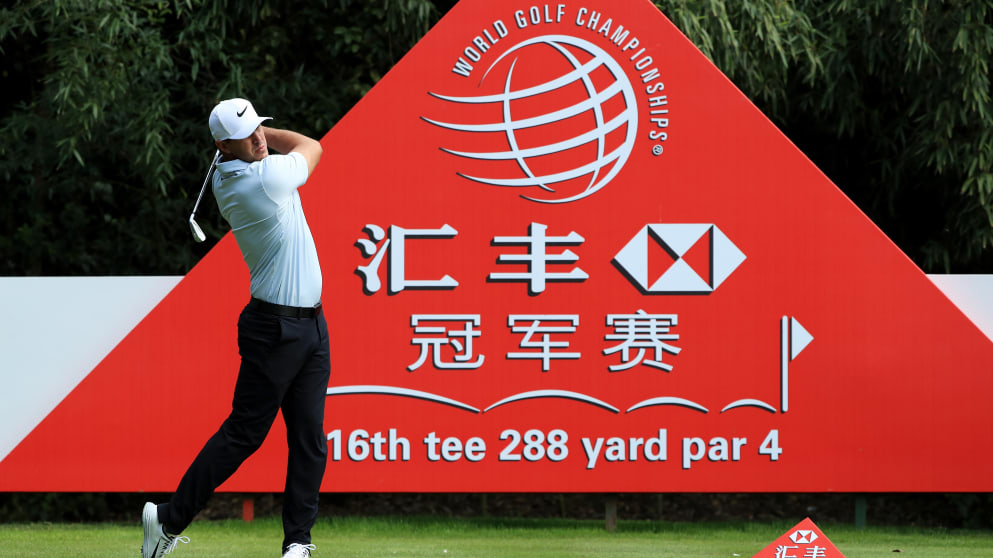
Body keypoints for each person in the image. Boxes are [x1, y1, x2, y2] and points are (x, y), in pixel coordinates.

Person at [141, 98, 329, 558]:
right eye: (249, 135)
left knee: (309, 439)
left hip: (311, 326)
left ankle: (298, 544)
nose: (261, 138)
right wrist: (276, 137)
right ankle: (166, 520)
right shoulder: (261, 181)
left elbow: (273, 145)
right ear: (222, 145)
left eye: (261, 129)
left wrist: (258, 135)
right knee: (244, 435)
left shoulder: (245, 166)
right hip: (275, 330)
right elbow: (312, 146)